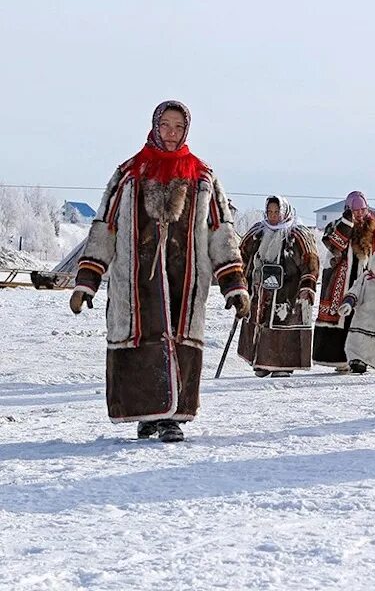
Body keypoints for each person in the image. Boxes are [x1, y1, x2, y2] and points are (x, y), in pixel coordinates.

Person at [69, 100, 249, 443]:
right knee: (141, 340)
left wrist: (233, 283)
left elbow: (220, 231)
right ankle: (147, 415)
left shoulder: (202, 177)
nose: (171, 133)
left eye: (179, 127)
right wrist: (87, 280)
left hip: (185, 279)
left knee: (178, 338)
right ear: (154, 126)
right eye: (165, 125)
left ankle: (171, 418)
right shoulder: (129, 173)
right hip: (136, 281)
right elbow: (105, 226)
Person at [237, 195, 319, 377]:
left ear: (284, 212)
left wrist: (307, 286)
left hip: (287, 291)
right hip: (260, 289)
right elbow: (241, 255)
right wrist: (240, 280)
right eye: (270, 212)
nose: (273, 216)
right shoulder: (257, 233)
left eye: (277, 212)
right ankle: (262, 361)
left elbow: (310, 261)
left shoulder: (297, 235)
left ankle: (283, 365)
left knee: (282, 324)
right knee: (261, 322)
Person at [313, 191, 375, 371]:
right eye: (355, 211)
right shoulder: (338, 226)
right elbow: (333, 246)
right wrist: (347, 224)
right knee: (342, 317)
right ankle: (340, 359)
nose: (359, 214)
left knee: (363, 318)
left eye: (362, 210)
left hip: (366, 279)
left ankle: (362, 359)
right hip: (341, 280)